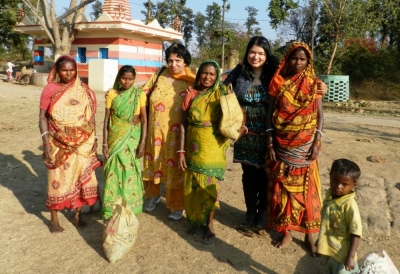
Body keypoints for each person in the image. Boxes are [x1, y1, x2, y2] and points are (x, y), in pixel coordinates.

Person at [265, 41, 324, 255]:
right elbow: (270, 114)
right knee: (283, 192)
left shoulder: (314, 83)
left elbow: (320, 115)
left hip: (306, 147)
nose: (298, 62)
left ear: (308, 61)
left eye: (302, 59)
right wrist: (270, 141)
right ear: (288, 59)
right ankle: (286, 231)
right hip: (281, 145)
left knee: (308, 192)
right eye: (294, 58)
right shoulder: (278, 81)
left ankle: (310, 236)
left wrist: (317, 141)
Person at [39, 55, 101, 233]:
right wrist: (46, 142)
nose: (68, 73)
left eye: (72, 70)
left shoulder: (83, 89)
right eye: (64, 70)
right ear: (57, 71)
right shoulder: (50, 90)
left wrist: (94, 138)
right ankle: (54, 219)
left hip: (83, 142)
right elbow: (42, 117)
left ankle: (77, 216)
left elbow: (90, 116)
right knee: (56, 179)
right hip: (58, 141)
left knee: (82, 177)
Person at [223, 36, 280, 229]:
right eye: (252, 52)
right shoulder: (239, 72)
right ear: (247, 53)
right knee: (248, 174)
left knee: (265, 174)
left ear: (267, 55)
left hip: (268, 134)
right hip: (244, 134)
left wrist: (319, 87)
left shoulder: (274, 73)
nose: (256, 57)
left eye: (261, 53)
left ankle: (263, 213)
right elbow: (217, 86)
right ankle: (250, 212)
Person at [177, 60, 230, 240]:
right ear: (199, 74)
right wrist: (181, 151)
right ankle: (195, 221)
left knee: (209, 186)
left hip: (214, 146)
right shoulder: (191, 94)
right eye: (204, 73)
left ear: (216, 77)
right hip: (193, 145)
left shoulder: (222, 93)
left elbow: (234, 116)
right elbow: (183, 123)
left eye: (212, 74)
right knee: (193, 186)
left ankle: (209, 223)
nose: (207, 77)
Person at [142, 43, 195, 220]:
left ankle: (176, 204)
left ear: (185, 61)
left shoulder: (192, 80)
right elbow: (143, 94)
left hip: (176, 135)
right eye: (170, 60)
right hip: (154, 132)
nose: (173, 64)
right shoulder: (158, 75)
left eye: (178, 60)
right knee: (153, 162)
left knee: (175, 168)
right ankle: (152, 195)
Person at [102, 65, 147, 221]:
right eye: (124, 78)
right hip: (115, 138)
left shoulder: (139, 94)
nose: (127, 82)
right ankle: (112, 206)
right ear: (118, 78)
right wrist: (105, 144)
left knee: (129, 170)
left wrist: (142, 143)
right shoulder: (112, 94)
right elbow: (106, 119)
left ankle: (129, 205)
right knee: (113, 172)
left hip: (132, 139)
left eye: (130, 79)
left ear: (134, 79)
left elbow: (145, 119)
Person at [317, 159, 362, 273]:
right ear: (330, 177)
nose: (338, 186)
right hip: (328, 248)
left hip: (342, 254)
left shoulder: (350, 205)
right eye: (334, 181)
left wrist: (350, 257)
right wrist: (320, 239)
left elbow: (355, 232)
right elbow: (326, 220)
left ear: (353, 185)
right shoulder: (329, 195)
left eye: (344, 184)